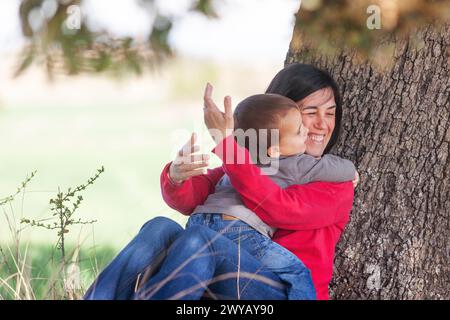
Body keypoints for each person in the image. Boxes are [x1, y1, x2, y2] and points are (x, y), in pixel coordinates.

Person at [84, 63, 358, 300]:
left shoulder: (333, 184)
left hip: (283, 290)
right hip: (227, 274)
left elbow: (278, 207)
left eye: (330, 113)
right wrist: (176, 177)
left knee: (202, 239)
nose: (322, 124)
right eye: (310, 113)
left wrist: (227, 146)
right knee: (160, 228)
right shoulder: (247, 166)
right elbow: (196, 197)